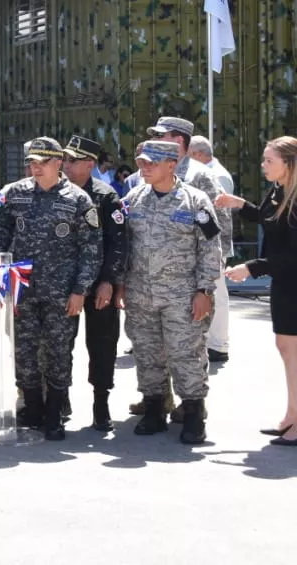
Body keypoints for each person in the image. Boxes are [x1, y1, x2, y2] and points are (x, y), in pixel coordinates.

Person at [0, 137, 101, 441]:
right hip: (22, 289)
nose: (35, 168)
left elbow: (90, 249)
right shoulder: (15, 194)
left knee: (58, 351)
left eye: (42, 162)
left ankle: (54, 414)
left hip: (60, 292)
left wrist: (80, 290)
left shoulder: (78, 200)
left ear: (59, 162)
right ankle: (33, 408)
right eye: (31, 162)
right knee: (24, 352)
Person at [122, 141, 221, 445]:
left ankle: (193, 411)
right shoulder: (133, 199)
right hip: (141, 294)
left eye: (151, 163)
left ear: (171, 165)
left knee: (186, 354)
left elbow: (210, 249)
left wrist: (205, 290)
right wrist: (120, 284)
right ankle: (154, 406)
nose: (144, 168)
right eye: (142, 163)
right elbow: (121, 245)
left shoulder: (195, 201)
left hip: (182, 295)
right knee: (147, 352)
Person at [217, 137, 297, 445]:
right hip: (285, 282)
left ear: (288, 164)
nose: (263, 165)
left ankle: (295, 421)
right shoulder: (280, 190)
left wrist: (252, 268)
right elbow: (268, 218)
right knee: (286, 348)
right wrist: (240, 205)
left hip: (290, 280)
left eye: (269, 161)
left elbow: (292, 254)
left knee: (291, 352)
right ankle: (291, 417)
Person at [62, 136, 129, 431]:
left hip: (98, 283)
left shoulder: (106, 196)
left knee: (102, 344)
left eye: (72, 161)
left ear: (90, 164)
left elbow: (118, 243)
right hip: (65, 283)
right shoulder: (57, 193)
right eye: (64, 159)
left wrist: (109, 282)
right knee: (59, 344)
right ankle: (58, 399)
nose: (66, 165)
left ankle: (101, 403)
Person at [190, 134, 235, 363]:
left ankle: (218, 344)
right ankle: (214, 342)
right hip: (213, 244)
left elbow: (222, 214)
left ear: (197, 154)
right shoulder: (209, 172)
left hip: (214, 245)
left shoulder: (214, 175)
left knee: (217, 293)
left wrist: (221, 250)